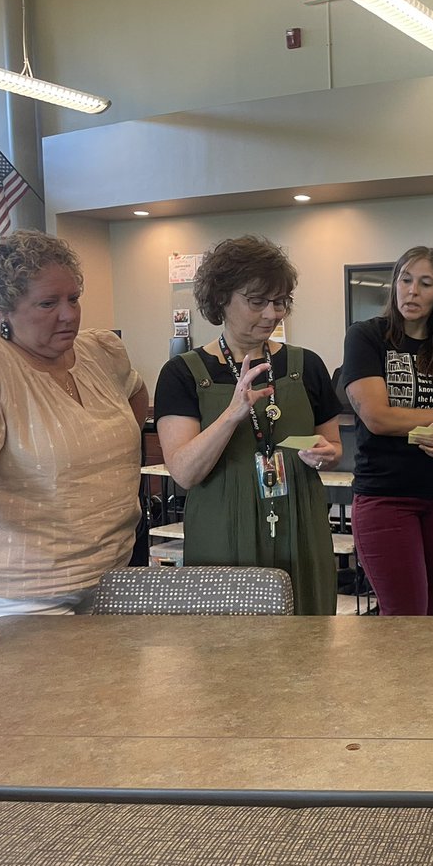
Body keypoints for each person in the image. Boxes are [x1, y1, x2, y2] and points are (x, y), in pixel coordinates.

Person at [0, 230, 148, 659]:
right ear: (2, 308)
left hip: (111, 572)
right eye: (47, 303)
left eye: (73, 298)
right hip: (22, 593)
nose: (69, 315)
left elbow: (134, 393)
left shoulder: (101, 351)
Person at [154, 235, 341, 615]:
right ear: (221, 299)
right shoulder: (182, 374)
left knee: (308, 637)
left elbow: (334, 446)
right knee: (226, 647)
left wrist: (326, 454)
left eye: (280, 301)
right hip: (222, 527)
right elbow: (185, 473)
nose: (272, 313)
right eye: (257, 302)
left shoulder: (307, 366)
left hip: (299, 522)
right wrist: (231, 414)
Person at [339, 246, 433, 615]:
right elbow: (377, 418)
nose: (412, 291)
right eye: (405, 279)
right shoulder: (367, 337)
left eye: (425, 283)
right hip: (387, 496)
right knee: (405, 618)